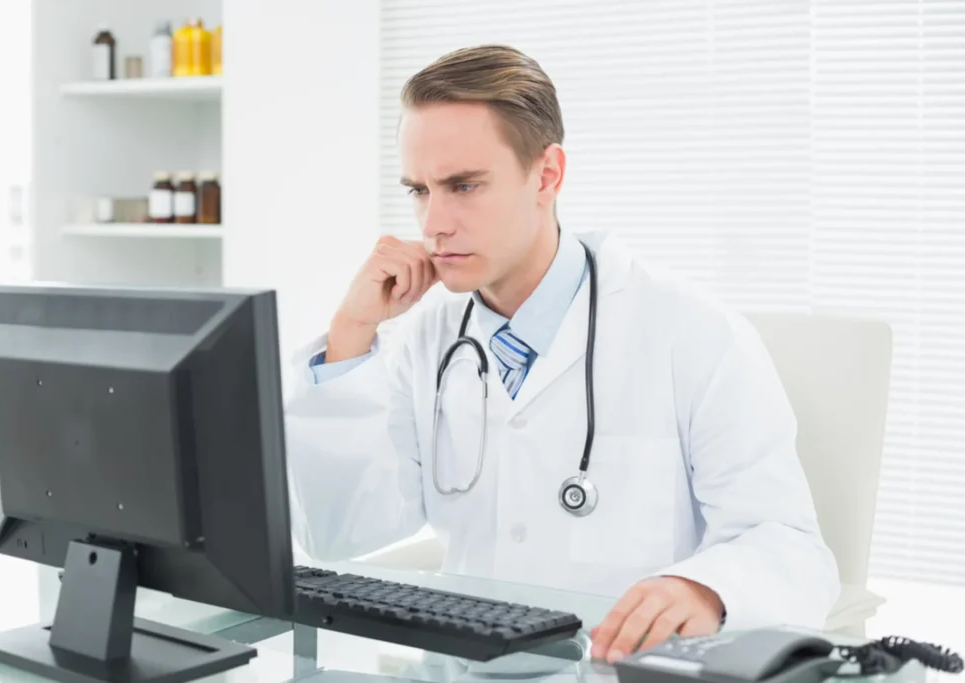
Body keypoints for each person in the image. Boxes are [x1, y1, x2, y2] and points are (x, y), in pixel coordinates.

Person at [284, 44, 840, 661]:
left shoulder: (692, 331)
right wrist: (352, 331)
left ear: (546, 175)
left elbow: (789, 546)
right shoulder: (428, 338)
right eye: (418, 189)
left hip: (625, 669)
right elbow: (338, 533)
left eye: (463, 185)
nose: (433, 223)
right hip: (470, 668)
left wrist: (704, 588)